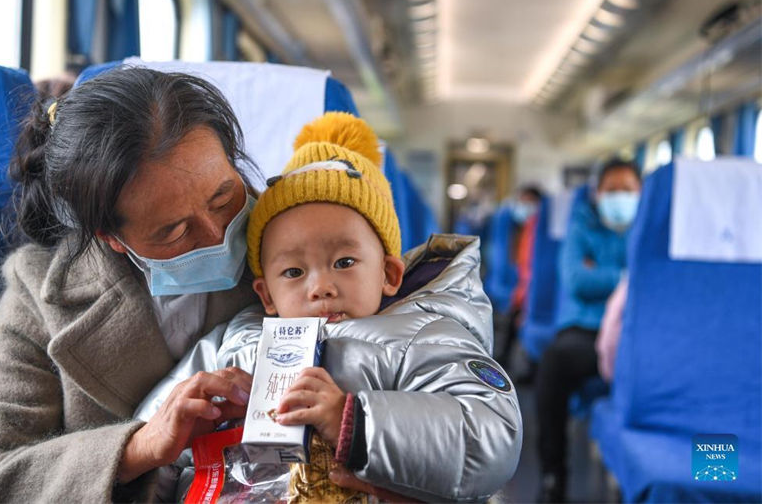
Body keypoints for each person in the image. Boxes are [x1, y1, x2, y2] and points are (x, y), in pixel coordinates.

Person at [136, 112, 523, 502]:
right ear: (266, 294)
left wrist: (353, 422)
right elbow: (153, 437)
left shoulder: (424, 335)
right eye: (293, 271)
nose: (320, 286)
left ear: (388, 274)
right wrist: (168, 435)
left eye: (344, 263)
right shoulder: (234, 342)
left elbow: (490, 434)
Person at [535, 158, 642, 503]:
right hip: (587, 327)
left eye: (628, 190)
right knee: (555, 361)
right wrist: (627, 277)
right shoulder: (581, 223)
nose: (620, 197)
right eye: (612, 190)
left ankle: (708, 459)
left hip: (636, 328)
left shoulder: (651, 228)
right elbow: (577, 281)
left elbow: (652, 283)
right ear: (597, 194)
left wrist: (604, 274)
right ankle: (554, 474)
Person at [495, 185, 542, 369]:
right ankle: (503, 359)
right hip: (519, 287)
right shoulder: (511, 230)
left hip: (528, 288)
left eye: (531, 202)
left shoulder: (539, 233)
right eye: (523, 202)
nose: (526, 206)